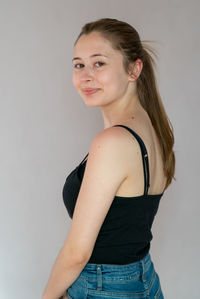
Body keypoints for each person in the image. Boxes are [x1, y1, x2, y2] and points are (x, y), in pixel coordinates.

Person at [42, 18, 175, 299]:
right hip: (143, 279)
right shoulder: (153, 130)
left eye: (99, 63)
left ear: (134, 69)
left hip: (104, 287)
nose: (85, 75)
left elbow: (77, 253)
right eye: (79, 64)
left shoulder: (113, 142)